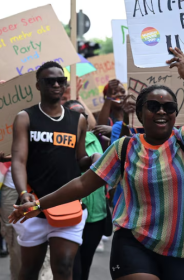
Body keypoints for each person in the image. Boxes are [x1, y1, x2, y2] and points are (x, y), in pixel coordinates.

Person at [10, 47, 184, 280]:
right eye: (153, 106)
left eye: (169, 108)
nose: (162, 111)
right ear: (140, 113)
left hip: (180, 250)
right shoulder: (124, 148)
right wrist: (38, 205)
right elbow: (82, 185)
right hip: (133, 243)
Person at [10, 61, 98, 280]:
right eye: (50, 81)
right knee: (30, 270)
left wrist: (95, 158)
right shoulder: (25, 117)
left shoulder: (78, 120)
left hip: (67, 205)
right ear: (38, 85)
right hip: (33, 207)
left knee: (64, 266)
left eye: (61, 80)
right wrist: (23, 193)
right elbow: (19, 161)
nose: (56, 84)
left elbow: (79, 160)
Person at [63, 100, 109, 280]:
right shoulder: (58, 141)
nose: (80, 118)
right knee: (71, 267)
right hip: (69, 215)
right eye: (74, 114)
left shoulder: (96, 139)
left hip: (95, 216)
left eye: (83, 114)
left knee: (85, 265)